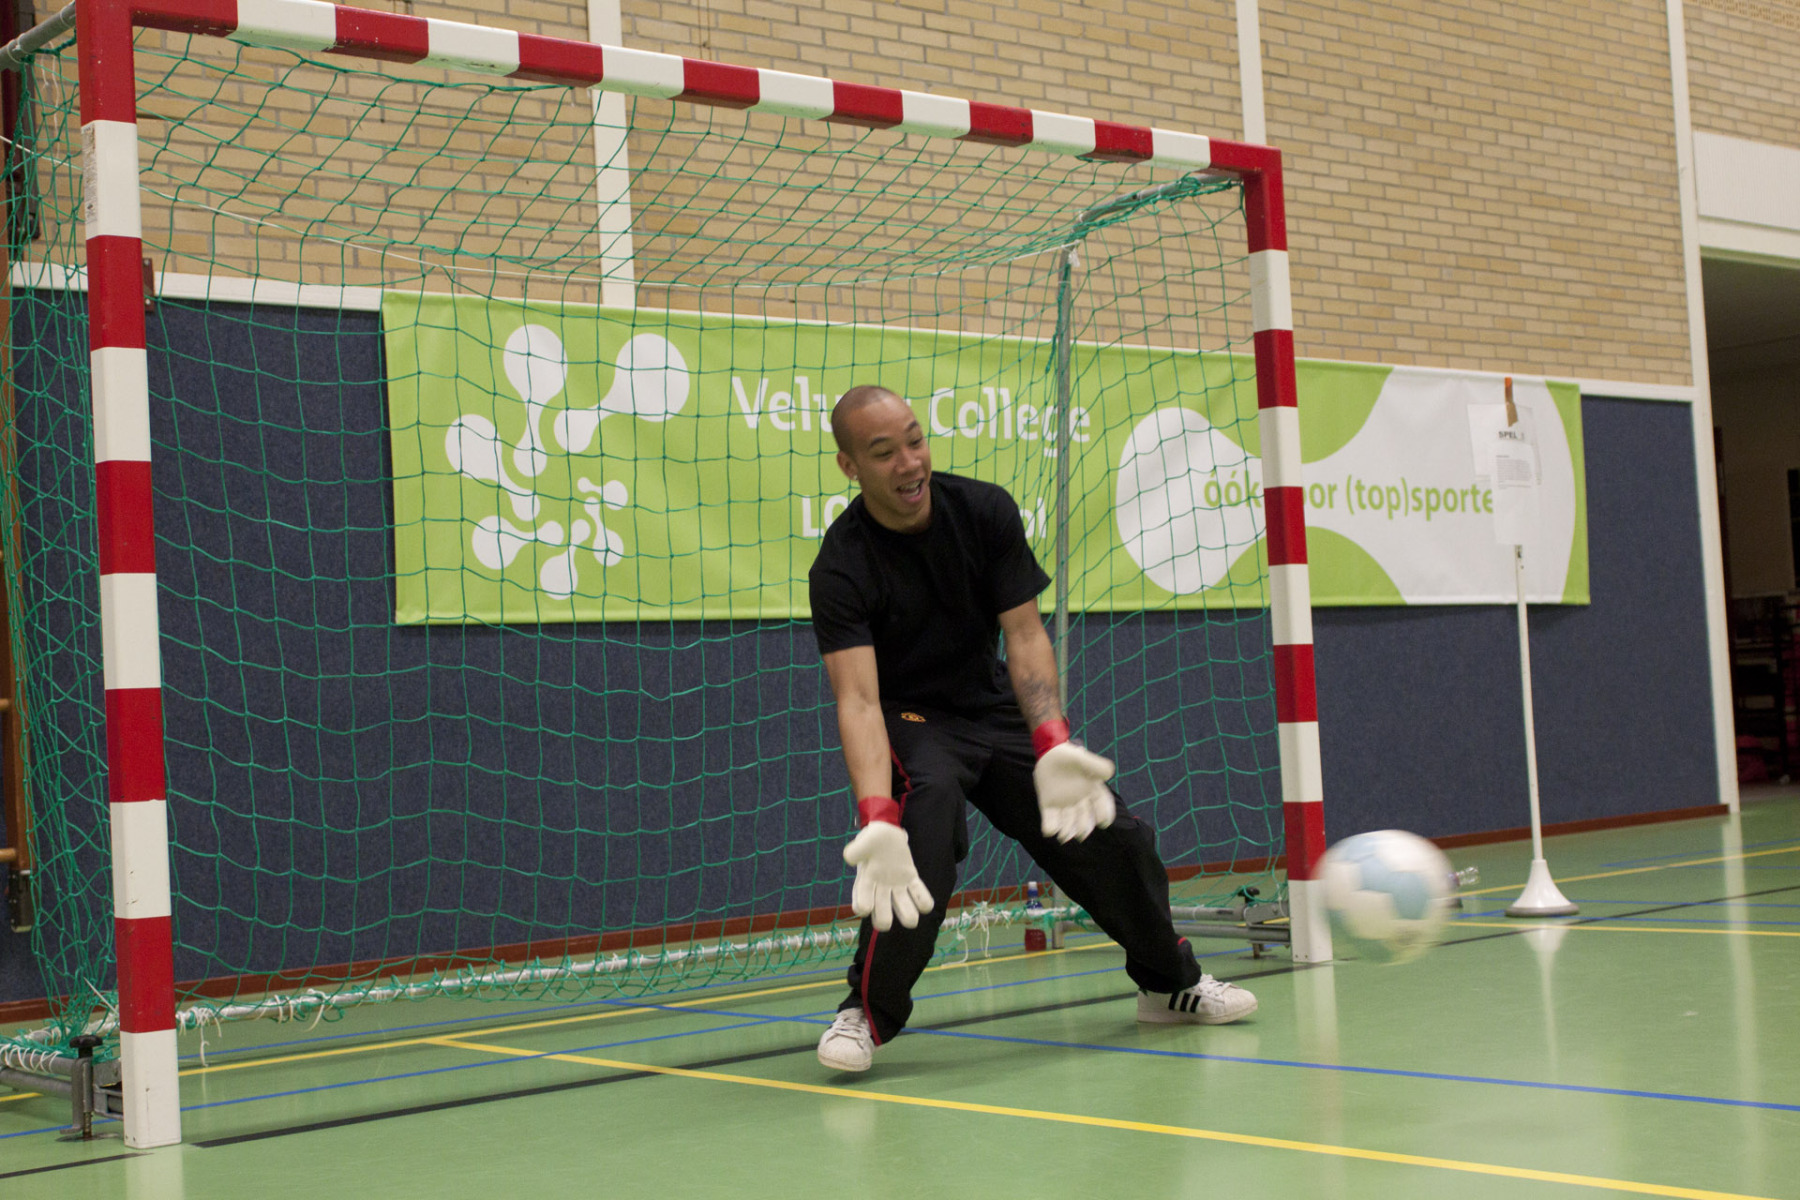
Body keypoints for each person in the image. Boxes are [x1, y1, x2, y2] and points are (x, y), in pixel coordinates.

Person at [807, 384, 1256, 1073]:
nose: (909, 462)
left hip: (990, 704)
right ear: (850, 466)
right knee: (922, 829)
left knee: (1110, 832)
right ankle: (865, 1012)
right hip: (911, 718)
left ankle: (1169, 986)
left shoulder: (983, 510)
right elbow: (860, 700)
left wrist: (1052, 741)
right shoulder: (841, 563)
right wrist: (877, 815)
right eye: (884, 452)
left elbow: (1023, 635)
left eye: (915, 440)